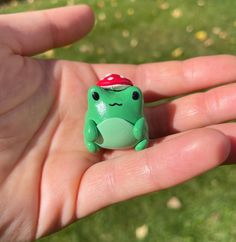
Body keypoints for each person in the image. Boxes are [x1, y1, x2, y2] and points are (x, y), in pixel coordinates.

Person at [0, 4, 235, 242]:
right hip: (103, 138)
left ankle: (135, 139)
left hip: (133, 136)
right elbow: (90, 124)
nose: (114, 102)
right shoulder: (96, 101)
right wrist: (92, 137)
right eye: (98, 97)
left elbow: (138, 121)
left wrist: (138, 134)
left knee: (141, 126)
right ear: (95, 96)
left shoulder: (133, 100)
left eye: (133, 95)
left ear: (135, 96)